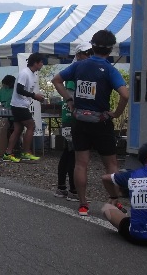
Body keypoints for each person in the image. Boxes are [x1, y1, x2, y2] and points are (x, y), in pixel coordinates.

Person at [52, 30, 129, 216]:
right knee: (111, 164)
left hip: (80, 121)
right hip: (102, 121)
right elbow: (125, 94)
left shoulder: (79, 65)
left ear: (92, 46)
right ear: (110, 50)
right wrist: (116, 113)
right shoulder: (110, 69)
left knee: (81, 164)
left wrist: (69, 100)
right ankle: (114, 200)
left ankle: (83, 204)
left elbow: (56, 80)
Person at [101, 142, 147, 246]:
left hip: (137, 236)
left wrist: (114, 196)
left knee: (107, 208)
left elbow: (105, 178)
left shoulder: (132, 175)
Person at [54, 42, 91, 201]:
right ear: (78, 55)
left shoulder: (80, 69)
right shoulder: (75, 71)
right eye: (85, 53)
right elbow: (71, 96)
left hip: (74, 117)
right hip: (71, 118)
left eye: (90, 52)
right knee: (73, 153)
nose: (88, 55)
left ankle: (62, 188)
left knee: (69, 152)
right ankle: (72, 190)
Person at [3, 53, 45, 163]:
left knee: (18, 129)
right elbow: (19, 90)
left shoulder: (32, 74)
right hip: (19, 105)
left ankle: (8, 153)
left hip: (21, 104)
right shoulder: (24, 73)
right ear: (35, 63)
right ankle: (26, 153)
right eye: (41, 62)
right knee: (31, 125)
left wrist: (36, 97)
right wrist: (34, 96)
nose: (42, 64)